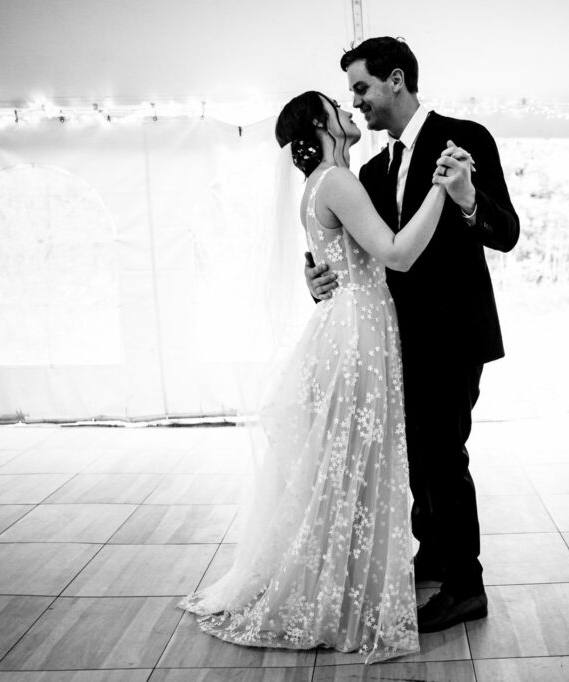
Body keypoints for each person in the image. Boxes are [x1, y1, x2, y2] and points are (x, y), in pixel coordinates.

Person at [179, 90, 459, 663]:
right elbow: (397, 254)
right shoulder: (338, 182)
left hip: (345, 324)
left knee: (343, 461)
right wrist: (440, 188)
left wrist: (315, 278)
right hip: (358, 330)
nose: (349, 109)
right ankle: (338, 592)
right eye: (338, 105)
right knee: (354, 461)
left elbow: (332, 258)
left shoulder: (316, 185)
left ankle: (338, 580)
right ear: (320, 124)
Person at [307, 37, 520, 633]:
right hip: (392, 338)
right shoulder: (372, 171)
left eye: (361, 88)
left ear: (396, 79)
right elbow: (364, 251)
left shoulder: (465, 139)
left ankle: (466, 586)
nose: (356, 101)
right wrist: (317, 275)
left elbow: (506, 233)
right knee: (415, 457)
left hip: (453, 335)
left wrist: (467, 197)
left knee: (444, 455)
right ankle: (434, 552)